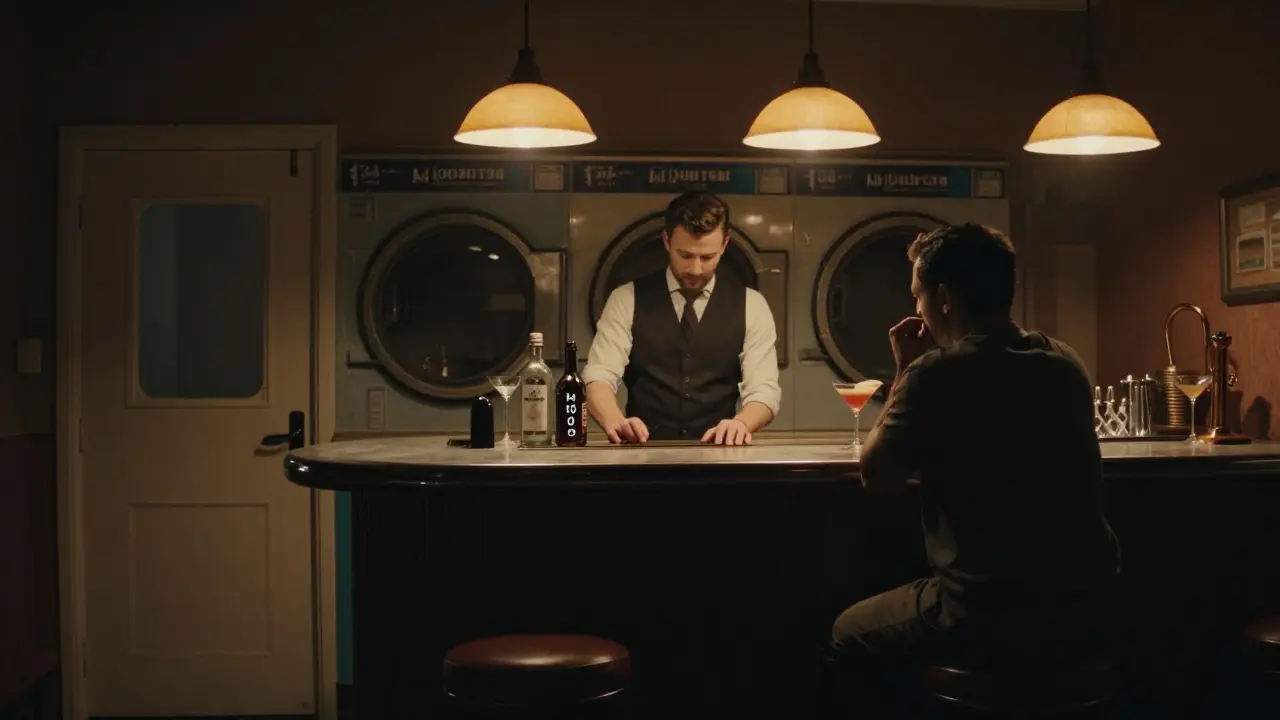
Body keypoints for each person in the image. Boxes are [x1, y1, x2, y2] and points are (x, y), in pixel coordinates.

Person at [823, 223, 1121, 715]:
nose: (916, 308)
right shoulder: (1065, 361)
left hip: (985, 616)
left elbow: (878, 477)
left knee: (846, 634)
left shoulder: (934, 374)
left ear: (943, 297)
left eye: (918, 295)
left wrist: (904, 370)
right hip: (1085, 611)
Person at [582, 191, 781, 445]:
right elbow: (598, 376)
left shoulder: (752, 305)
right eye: (685, 255)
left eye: (707, 257)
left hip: (721, 457)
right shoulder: (626, 299)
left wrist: (742, 423)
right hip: (643, 456)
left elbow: (765, 390)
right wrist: (615, 421)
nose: (695, 269)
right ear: (666, 241)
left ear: (725, 244)